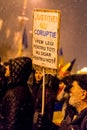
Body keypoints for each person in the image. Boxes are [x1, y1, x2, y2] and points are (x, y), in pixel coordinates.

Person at [0, 57, 34, 130]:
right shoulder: (22, 89)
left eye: (10, 66)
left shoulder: (14, 94)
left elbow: (11, 123)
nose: (6, 68)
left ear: (16, 70)